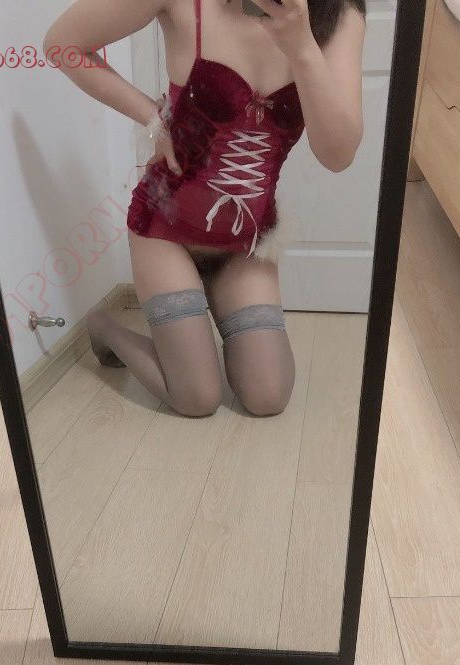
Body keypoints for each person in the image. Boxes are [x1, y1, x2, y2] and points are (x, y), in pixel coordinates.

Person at [44, 0, 366, 417]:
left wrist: (303, 47)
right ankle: (106, 328)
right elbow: (62, 44)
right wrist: (153, 116)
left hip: (246, 247)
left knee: (268, 395)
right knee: (196, 398)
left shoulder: (339, 13)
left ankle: (200, 323)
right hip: (166, 230)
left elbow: (337, 156)